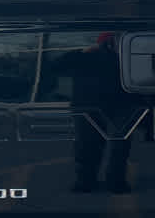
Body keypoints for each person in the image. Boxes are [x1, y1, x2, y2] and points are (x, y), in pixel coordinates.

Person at [51, 32, 136, 193]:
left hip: (113, 106)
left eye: (114, 42)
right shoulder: (85, 57)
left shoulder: (126, 58)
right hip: (95, 106)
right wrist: (81, 52)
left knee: (112, 146)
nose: (111, 46)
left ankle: (101, 182)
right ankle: (94, 181)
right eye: (109, 42)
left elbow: (56, 66)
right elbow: (56, 66)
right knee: (92, 145)